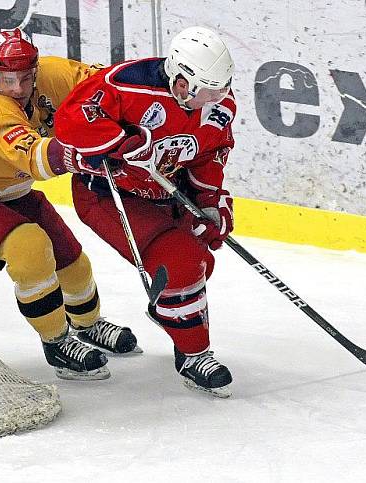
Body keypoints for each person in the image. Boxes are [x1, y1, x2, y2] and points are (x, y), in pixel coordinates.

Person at [0, 28, 140, 381]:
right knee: (31, 248)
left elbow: (110, 85)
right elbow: (35, 158)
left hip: (10, 190)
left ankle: (88, 324)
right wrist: (84, 155)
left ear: (35, 69)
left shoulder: (51, 74)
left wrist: (146, 101)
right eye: (7, 79)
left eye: (24, 78)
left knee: (72, 261)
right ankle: (56, 342)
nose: (18, 89)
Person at [54, 26, 237, 397]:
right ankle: (194, 355)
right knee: (180, 263)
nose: (215, 100)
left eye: (221, 90)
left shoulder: (216, 106)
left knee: (201, 254)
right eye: (207, 91)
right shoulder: (128, 85)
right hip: (107, 194)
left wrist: (210, 203)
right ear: (181, 80)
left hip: (167, 193)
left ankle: (172, 310)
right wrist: (122, 143)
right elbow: (70, 120)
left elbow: (207, 156)